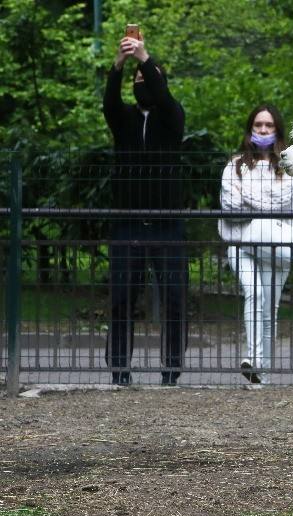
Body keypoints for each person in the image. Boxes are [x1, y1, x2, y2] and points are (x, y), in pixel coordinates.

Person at [103, 30, 187, 385]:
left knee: (173, 300)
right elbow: (108, 102)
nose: (142, 81)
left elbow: (164, 96)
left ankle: (171, 371)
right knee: (122, 298)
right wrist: (120, 63)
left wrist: (144, 57)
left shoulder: (172, 117)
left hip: (167, 225)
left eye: (146, 76)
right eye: (135, 79)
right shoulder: (123, 119)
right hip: (128, 224)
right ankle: (120, 370)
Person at [218, 105, 293, 384]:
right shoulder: (235, 164)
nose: (263, 130)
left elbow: (283, 196)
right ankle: (252, 360)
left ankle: (262, 373)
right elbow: (230, 204)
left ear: (277, 129)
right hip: (241, 244)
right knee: (254, 294)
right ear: (250, 129)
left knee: (270, 308)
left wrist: (249, 198)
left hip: (275, 246)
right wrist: (262, 204)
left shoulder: (288, 165)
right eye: (258, 125)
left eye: (268, 125)